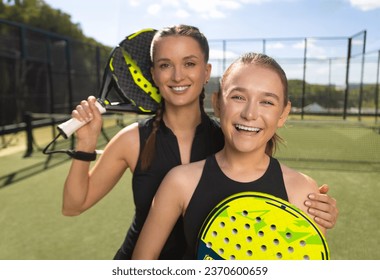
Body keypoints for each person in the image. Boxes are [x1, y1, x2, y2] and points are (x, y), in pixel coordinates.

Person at [62, 25, 338, 260]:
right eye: (165, 65)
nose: (178, 75)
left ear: (206, 73)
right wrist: (85, 144)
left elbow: (269, 180)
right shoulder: (135, 140)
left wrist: (313, 207)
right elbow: (73, 205)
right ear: (154, 74)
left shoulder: (235, 133)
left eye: (189, 63)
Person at [132, 52, 329, 259]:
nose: (250, 113)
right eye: (238, 97)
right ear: (217, 103)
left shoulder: (303, 191)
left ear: (283, 114)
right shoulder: (180, 181)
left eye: (267, 102)